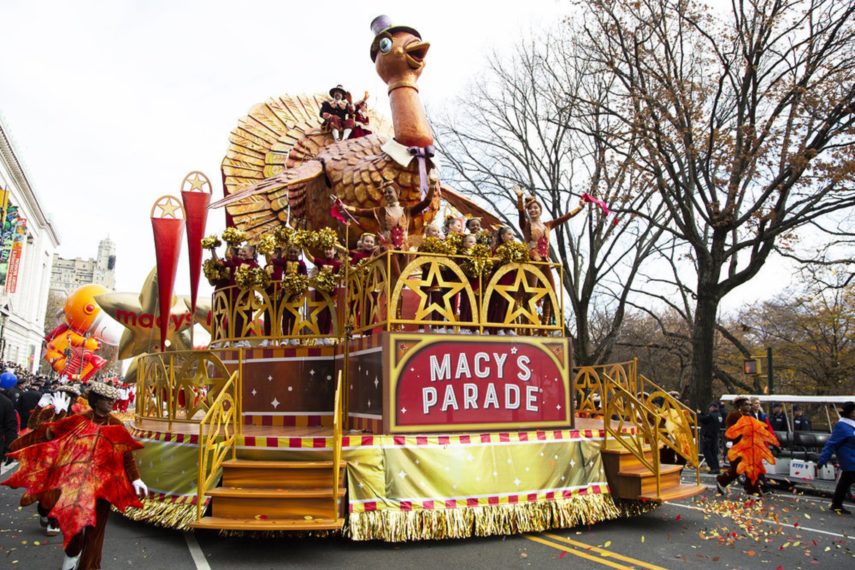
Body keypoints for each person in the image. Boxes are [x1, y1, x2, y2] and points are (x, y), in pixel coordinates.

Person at [716, 397, 761, 495]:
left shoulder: (750, 416)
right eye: (746, 404)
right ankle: (722, 480)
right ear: (740, 406)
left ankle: (753, 491)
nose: (749, 406)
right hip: (738, 447)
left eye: (750, 404)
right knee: (737, 470)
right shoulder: (733, 415)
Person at [818, 402, 855, 515]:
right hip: (850, 460)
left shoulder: (852, 424)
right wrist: (823, 459)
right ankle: (836, 504)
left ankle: (836, 504)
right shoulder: (842, 426)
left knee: (844, 483)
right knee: (845, 482)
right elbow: (831, 444)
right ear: (851, 413)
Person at [699, 403, 723, 475]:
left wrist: (699, 414)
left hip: (708, 436)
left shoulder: (711, 415)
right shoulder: (719, 415)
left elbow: (702, 419)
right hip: (715, 436)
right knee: (713, 453)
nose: (709, 409)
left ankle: (713, 468)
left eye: (710, 408)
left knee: (707, 452)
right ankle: (717, 467)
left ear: (712, 407)